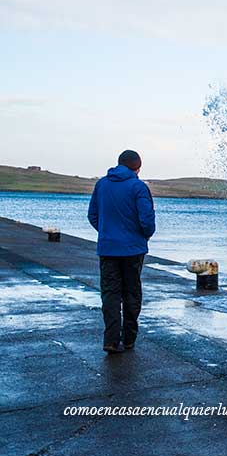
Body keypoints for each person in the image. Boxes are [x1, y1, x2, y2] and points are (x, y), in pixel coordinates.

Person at [88, 150, 156, 354]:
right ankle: (128, 339)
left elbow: (92, 215)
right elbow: (147, 220)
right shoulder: (138, 186)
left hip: (108, 248)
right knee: (132, 292)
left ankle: (110, 340)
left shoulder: (102, 184)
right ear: (138, 167)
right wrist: (143, 236)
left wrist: (107, 233)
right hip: (133, 250)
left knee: (110, 294)